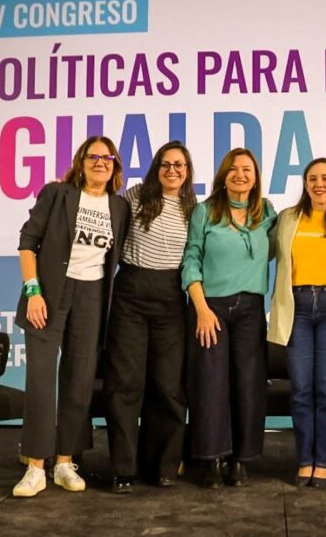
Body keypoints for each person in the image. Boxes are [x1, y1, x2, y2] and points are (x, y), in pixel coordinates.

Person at [13, 136, 130, 497]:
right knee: (41, 380)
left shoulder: (120, 207)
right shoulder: (57, 194)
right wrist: (33, 292)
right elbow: (28, 243)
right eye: (93, 157)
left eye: (107, 158)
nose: (100, 163)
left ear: (115, 166)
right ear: (81, 162)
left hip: (92, 295)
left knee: (79, 381)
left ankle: (64, 462)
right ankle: (35, 466)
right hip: (49, 294)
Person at [103, 141, 197, 492]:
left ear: (187, 172)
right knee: (125, 383)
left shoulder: (193, 208)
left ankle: (162, 466)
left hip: (171, 296)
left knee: (168, 386)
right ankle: (123, 469)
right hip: (130, 292)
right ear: (157, 168)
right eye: (166, 164)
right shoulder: (136, 196)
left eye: (179, 165)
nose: (172, 170)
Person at [181, 147, 277, 488]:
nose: (240, 175)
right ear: (223, 176)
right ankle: (213, 458)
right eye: (233, 169)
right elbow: (191, 258)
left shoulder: (266, 212)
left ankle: (241, 458)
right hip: (210, 308)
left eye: (247, 169)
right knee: (210, 384)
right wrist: (201, 308)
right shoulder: (205, 211)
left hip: (251, 308)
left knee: (248, 383)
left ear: (256, 177)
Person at [268, 158, 326, 488]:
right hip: (298, 309)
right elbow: (261, 250)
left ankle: (324, 461)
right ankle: (305, 460)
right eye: (313, 178)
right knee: (302, 389)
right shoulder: (287, 218)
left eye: (325, 178)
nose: (319, 184)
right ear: (305, 184)